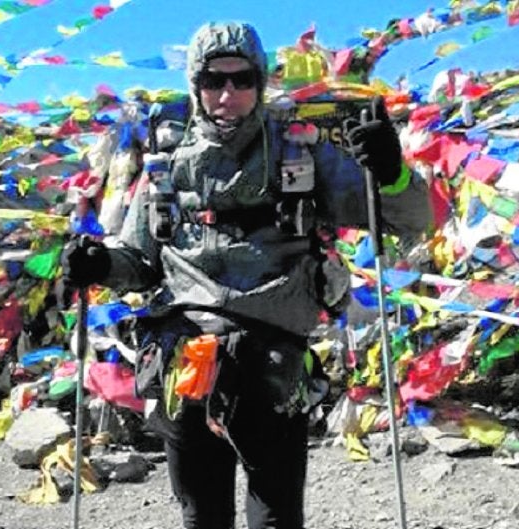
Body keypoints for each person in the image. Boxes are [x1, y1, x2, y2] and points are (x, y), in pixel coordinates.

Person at [61, 21, 430, 529]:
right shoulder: (167, 166)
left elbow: (412, 220)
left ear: (260, 82)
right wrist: (99, 263)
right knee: (202, 517)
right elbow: (141, 263)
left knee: (276, 518)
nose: (227, 94)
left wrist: (393, 174)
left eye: (242, 80)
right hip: (185, 367)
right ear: (196, 85)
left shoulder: (302, 149)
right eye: (214, 81)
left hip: (273, 367)